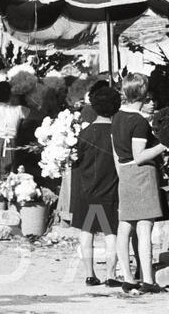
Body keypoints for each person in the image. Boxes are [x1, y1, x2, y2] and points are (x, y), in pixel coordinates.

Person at [112, 73, 169, 294]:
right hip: (140, 174)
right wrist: (166, 144)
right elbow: (139, 155)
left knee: (125, 227)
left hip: (125, 173)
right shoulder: (138, 121)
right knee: (145, 228)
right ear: (143, 93)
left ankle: (128, 278)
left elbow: (120, 153)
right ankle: (148, 279)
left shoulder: (117, 116)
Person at [72, 85, 122, 288]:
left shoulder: (83, 134)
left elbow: (76, 161)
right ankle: (111, 275)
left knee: (87, 232)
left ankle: (90, 274)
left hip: (86, 191)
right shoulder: (118, 134)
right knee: (112, 234)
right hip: (111, 190)